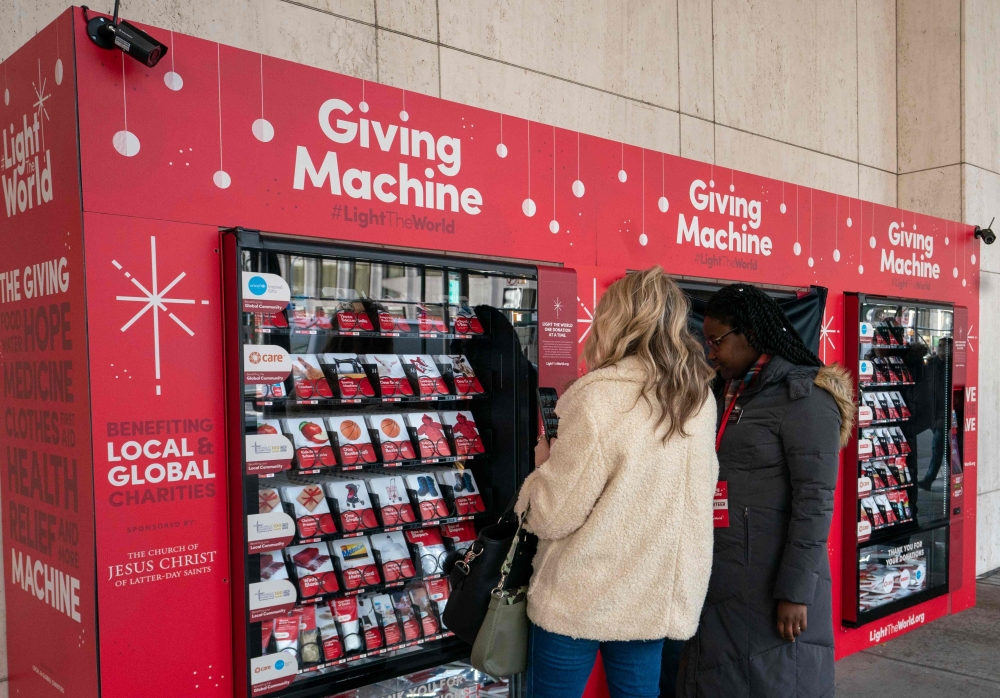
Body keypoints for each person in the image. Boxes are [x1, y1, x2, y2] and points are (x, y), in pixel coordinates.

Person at [514, 266, 719, 698]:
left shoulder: (600, 397)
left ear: (616, 319)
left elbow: (551, 515)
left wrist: (540, 469)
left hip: (581, 593)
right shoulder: (698, 398)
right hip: (653, 592)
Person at [677, 284, 853, 698]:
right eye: (707, 341)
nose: (711, 352)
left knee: (774, 682)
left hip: (772, 585)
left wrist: (795, 592)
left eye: (717, 341)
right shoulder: (726, 392)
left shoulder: (806, 398)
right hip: (725, 575)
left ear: (751, 335)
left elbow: (814, 503)